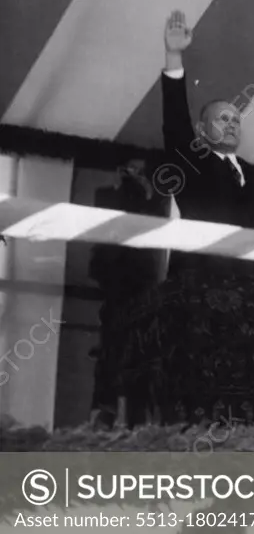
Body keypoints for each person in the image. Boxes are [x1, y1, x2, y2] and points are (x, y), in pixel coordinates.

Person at [161, 10, 254, 273]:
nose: (231, 125)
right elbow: (175, 122)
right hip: (197, 282)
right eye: (223, 119)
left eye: (235, 121)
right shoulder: (191, 164)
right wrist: (173, 56)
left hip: (249, 291)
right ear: (201, 130)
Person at [88, 159, 170, 427]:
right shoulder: (108, 196)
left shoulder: (154, 201)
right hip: (119, 282)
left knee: (138, 357)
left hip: (140, 284)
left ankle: (129, 417)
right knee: (114, 352)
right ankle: (107, 412)